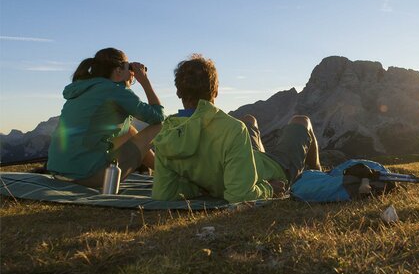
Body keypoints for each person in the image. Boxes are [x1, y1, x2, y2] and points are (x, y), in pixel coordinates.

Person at [152, 54, 321, 203]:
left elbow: (164, 194)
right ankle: (317, 172)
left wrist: (200, 188)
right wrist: (270, 189)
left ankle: (265, 157)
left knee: (249, 119)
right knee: (302, 120)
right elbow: (240, 195)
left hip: (246, 160)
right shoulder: (232, 128)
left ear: (178, 93)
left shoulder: (166, 134)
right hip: (276, 169)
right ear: (216, 91)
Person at [47, 47, 164, 188]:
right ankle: (169, 172)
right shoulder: (115, 90)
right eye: (129, 68)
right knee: (158, 127)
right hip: (89, 176)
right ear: (118, 71)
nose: (132, 73)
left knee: (129, 130)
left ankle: (163, 171)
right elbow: (158, 117)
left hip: (60, 174)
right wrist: (144, 81)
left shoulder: (84, 87)